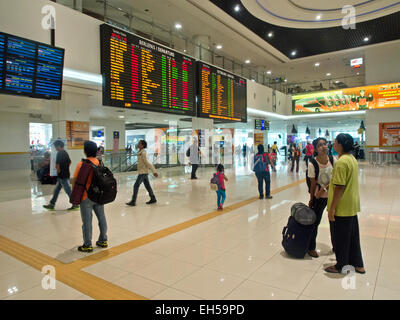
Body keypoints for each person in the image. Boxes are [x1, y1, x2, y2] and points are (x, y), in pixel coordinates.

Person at [325, 134, 365, 274]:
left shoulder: (341, 162)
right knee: (353, 237)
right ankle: (358, 264)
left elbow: (339, 187)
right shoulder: (351, 159)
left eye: (335, 142)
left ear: (341, 145)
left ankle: (341, 265)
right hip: (352, 205)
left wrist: (332, 209)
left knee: (340, 238)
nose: (333, 144)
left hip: (342, 207)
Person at [72, 141, 108, 252]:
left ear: (85, 151)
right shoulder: (99, 162)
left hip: (85, 197)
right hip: (98, 196)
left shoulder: (81, 164)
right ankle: (103, 240)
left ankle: (87, 244)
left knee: (87, 222)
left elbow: (75, 181)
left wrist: (75, 194)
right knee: (101, 218)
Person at [307, 138, 335, 258]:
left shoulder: (333, 160)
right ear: (316, 149)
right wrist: (312, 199)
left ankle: (336, 245)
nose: (323, 146)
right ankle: (311, 247)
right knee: (315, 222)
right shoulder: (312, 163)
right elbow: (313, 184)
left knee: (335, 221)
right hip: (319, 197)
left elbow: (336, 178)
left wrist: (324, 189)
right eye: (320, 145)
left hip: (332, 195)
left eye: (324, 144)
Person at [43, 140, 78, 211]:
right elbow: (70, 162)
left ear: (58, 146)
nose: (55, 148)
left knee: (68, 190)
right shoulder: (65, 153)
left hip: (62, 175)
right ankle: (52, 204)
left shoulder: (59, 153)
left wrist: (59, 171)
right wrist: (65, 168)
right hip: (66, 174)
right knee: (56, 190)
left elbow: (57, 165)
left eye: (55, 147)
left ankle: (75, 204)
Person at [126, 140, 158, 206]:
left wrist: (154, 171)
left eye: (139, 143)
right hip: (142, 172)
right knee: (148, 186)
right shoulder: (140, 152)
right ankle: (153, 198)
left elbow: (147, 163)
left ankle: (133, 201)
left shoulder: (143, 153)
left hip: (143, 173)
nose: (138, 144)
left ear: (142, 145)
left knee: (136, 186)